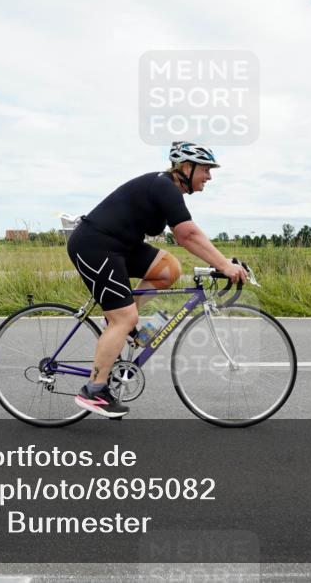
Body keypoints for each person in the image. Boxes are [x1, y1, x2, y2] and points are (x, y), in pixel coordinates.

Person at [67, 141, 248, 418]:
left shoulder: (168, 190)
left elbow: (185, 235)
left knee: (169, 269)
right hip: (95, 246)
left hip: (120, 247)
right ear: (186, 168)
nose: (209, 176)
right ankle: (94, 390)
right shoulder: (163, 185)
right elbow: (188, 235)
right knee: (123, 318)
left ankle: (118, 324)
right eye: (206, 169)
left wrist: (221, 262)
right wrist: (223, 264)